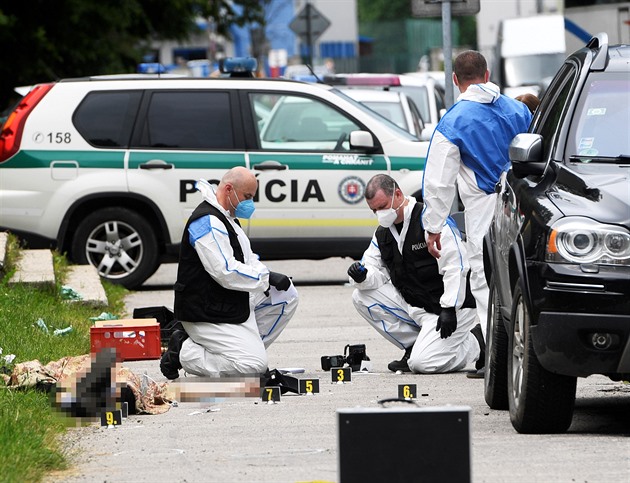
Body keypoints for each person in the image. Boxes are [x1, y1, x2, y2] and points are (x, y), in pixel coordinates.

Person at [421, 51, 531, 377]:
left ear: (455, 80)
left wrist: (433, 227)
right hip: (523, 203)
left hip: (484, 209)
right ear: (488, 73)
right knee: (521, 278)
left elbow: (439, 182)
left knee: (486, 281)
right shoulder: (519, 110)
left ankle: (497, 364)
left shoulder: (453, 121)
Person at [160, 167, 298, 379]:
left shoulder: (228, 218)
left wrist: (266, 275)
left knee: (286, 296)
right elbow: (225, 271)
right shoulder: (207, 222)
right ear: (228, 189)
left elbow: (249, 258)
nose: (250, 203)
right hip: (205, 311)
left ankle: (240, 354)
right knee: (254, 368)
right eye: (247, 197)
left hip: (225, 302)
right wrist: (265, 279)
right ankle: (184, 351)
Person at [347, 174, 484, 374]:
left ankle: (476, 343)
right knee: (361, 296)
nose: (380, 214)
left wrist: (449, 307)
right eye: (374, 210)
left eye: (383, 206)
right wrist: (361, 276)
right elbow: (373, 270)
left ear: (398, 194)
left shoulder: (431, 221)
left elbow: (457, 266)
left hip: (449, 309)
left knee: (423, 364)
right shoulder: (383, 234)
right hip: (418, 307)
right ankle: (413, 346)